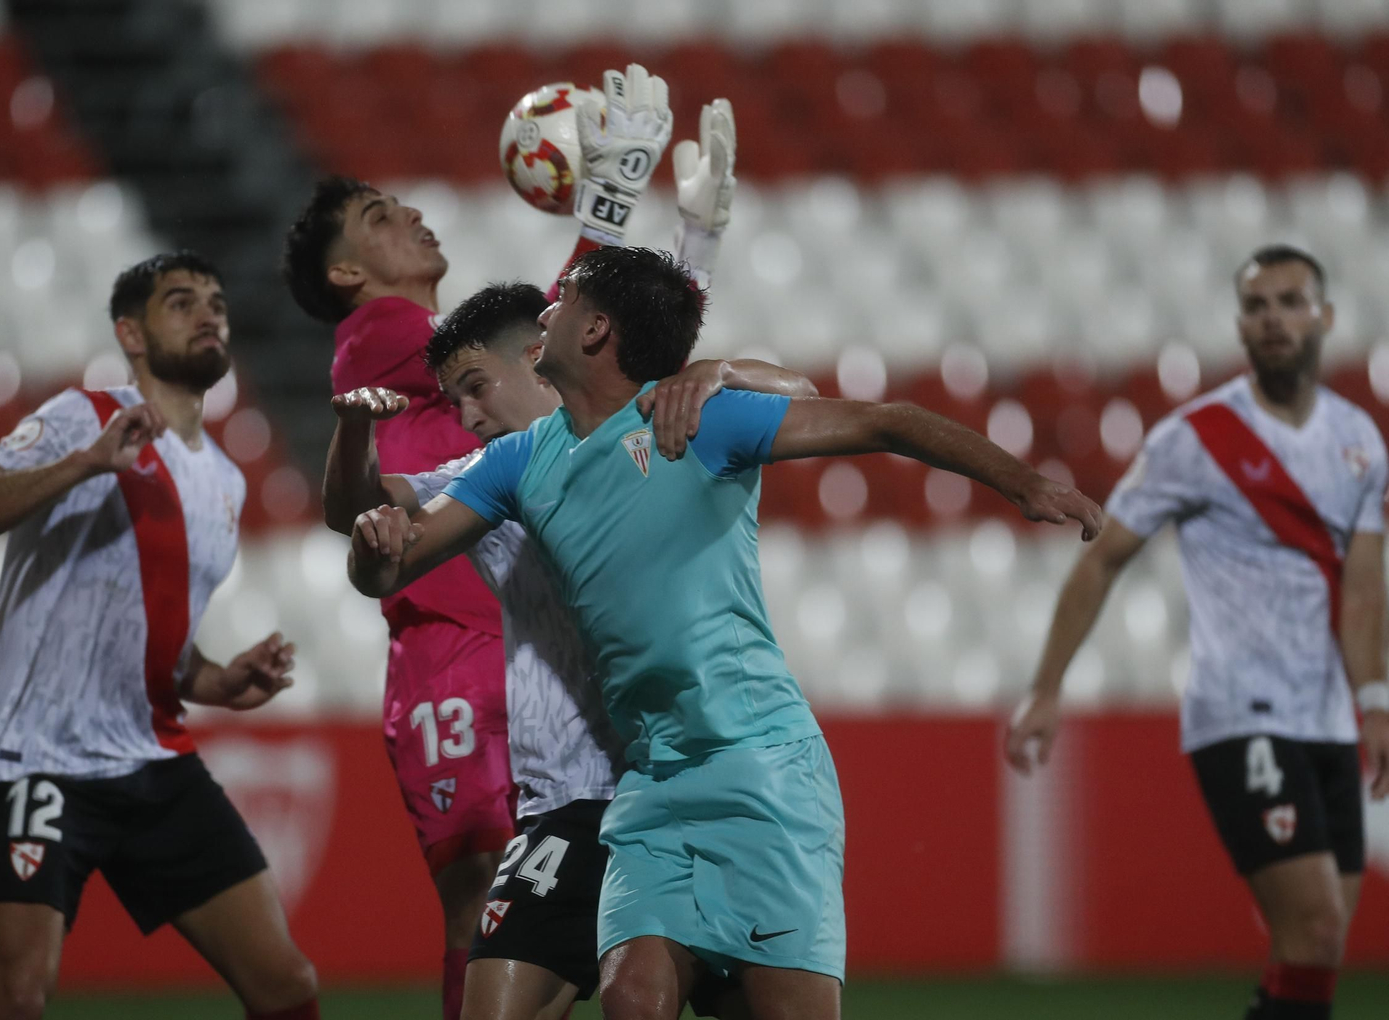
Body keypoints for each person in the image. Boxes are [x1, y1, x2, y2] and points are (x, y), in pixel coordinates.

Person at [346, 245, 1101, 1020]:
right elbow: (393, 563)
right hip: (652, 778)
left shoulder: (695, 419)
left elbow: (887, 420)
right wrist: (375, 550)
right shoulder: (519, 459)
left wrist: (1027, 483)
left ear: (598, 329)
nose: (546, 308)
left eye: (563, 297)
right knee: (632, 998)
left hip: (761, 769)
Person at [281, 66, 731, 1020]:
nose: (411, 216)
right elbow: (550, 341)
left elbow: (584, 358)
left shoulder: (514, 428)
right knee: (494, 897)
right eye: (378, 219)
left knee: (563, 928)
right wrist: (611, 195)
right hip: (453, 652)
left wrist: (690, 242)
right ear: (347, 277)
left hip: (518, 638)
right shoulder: (382, 333)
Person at [323, 279, 813, 1019]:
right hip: (565, 800)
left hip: (680, 785)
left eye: (476, 387)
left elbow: (801, 396)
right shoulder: (485, 480)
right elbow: (360, 506)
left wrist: (722, 370)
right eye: (454, 399)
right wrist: (357, 432)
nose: (467, 414)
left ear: (537, 356)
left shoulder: (658, 425)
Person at [0, 252, 318, 1020]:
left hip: (154, 764)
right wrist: (84, 465)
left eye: (216, 301)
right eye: (182, 302)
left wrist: (219, 682)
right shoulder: (86, 416)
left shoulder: (226, 482)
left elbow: (160, 646)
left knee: (289, 988)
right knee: (16, 1001)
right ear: (130, 334)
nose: (210, 314)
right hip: (42, 763)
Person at [1005, 245, 1389, 1020]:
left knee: (1315, 950)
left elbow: (1362, 588)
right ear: (1239, 324)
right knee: (1313, 928)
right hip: (1239, 713)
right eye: (1257, 305)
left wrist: (1373, 699)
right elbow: (1101, 561)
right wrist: (1046, 689)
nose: (1273, 318)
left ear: (1326, 318)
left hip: (1324, 720)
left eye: (1289, 301)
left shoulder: (1360, 443)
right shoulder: (1196, 438)